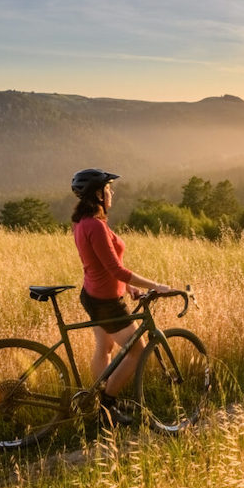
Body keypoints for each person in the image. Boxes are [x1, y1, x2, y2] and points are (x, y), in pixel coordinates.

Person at [70, 168, 171, 426]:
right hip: (106, 302)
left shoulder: (83, 222)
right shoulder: (96, 226)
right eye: (108, 189)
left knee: (104, 348)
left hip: (93, 294)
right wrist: (156, 285)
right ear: (98, 194)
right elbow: (115, 269)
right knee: (136, 351)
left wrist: (127, 287)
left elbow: (99, 264)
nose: (111, 192)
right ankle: (107, 406)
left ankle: (95, 404)